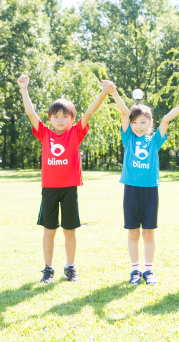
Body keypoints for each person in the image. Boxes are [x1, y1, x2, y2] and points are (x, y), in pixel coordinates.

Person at [17, 74, 115, 283]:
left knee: (69, 231)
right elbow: (30, 112)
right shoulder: (45, 134)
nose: (60, 120)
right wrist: (24, 89)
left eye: (65, 116)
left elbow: (89, 112)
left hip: (70, 188)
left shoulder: (75, 133)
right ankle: (48, 269)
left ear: (72, 119)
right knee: (49, 230)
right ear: (50, 119)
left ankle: (70, 268)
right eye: (56, 116)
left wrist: (104, 93)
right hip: (49, 189)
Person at [111, 88, 179, 286]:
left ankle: (148, 270)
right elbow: (124, 112)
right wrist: (114, 93)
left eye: (143, 122)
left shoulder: (154, 141)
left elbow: (166, 119)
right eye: (135, 122)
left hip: (150, 190)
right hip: (131, 190)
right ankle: (135, 270)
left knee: (148, 232)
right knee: (133, 232)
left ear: (150, 123)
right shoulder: (128, 138)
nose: (138, 126)